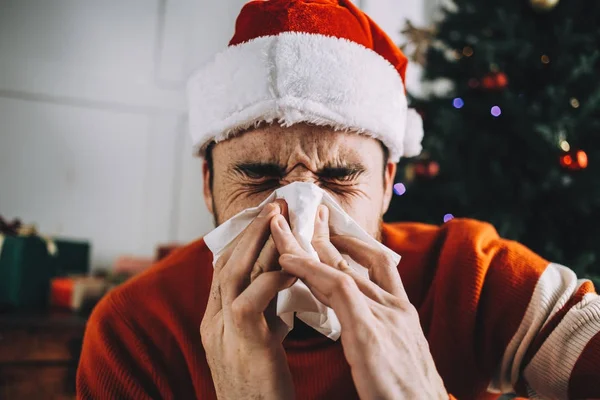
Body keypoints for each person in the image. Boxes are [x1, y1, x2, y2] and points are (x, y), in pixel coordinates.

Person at [76, 1, 600, 399]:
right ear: (207, 182)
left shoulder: (474, 274)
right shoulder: (135, 327)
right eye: (258, 175)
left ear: (387, 180)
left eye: (341, 175)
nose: (299, 212)